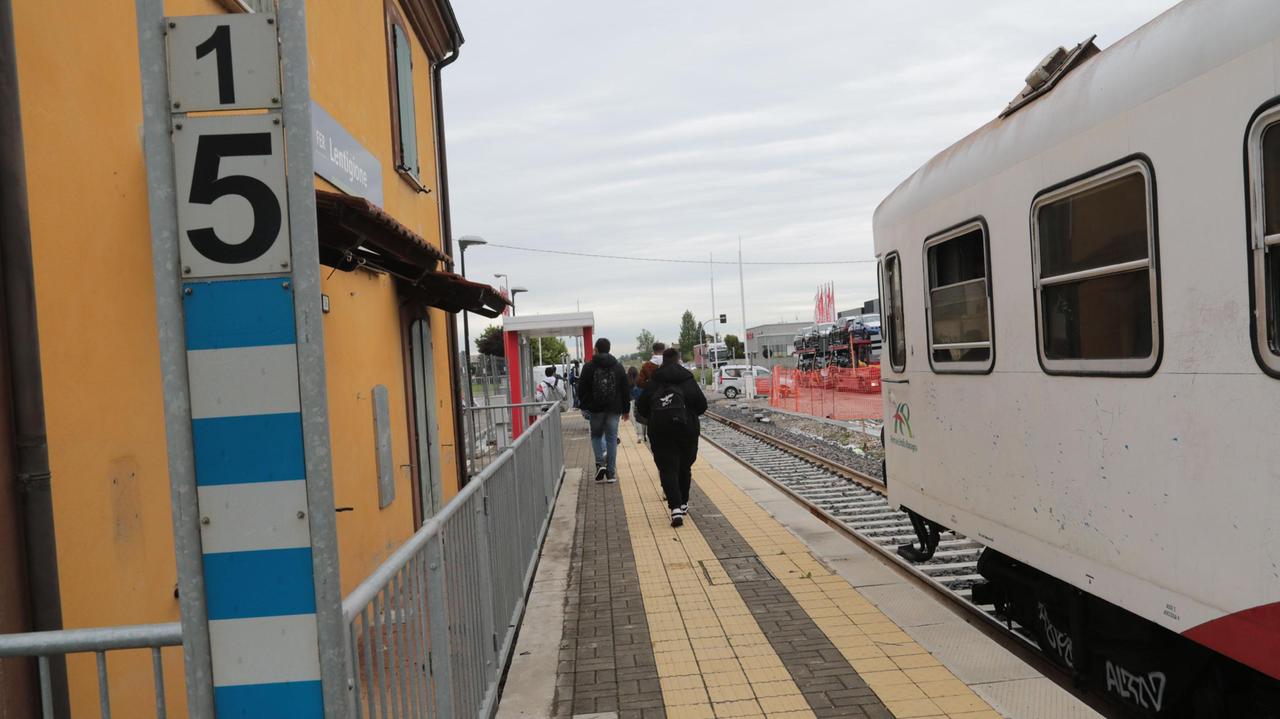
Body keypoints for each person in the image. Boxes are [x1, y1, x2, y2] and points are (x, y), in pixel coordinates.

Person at [636, 348, 708, 527]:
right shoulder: (688, 379)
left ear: (662, 361)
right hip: (687, 431)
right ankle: (683, 503)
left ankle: (675, 508)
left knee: (667, 469)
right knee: (684, 467)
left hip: (660, 433)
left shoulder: (655, 381)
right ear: (679, 360)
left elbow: (642, 407)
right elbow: (702, 405)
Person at [576, 338, 630, 483]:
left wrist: (586, 404)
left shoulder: (589, 367)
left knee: (596, 436)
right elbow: (625, 390)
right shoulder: (618, 366)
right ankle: (611, 474)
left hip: (596, 409)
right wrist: (626, 410)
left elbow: (581, 388)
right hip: (614, 408)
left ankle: (600, 464)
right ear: (609, 349)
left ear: (596, 349)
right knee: (612, 438)